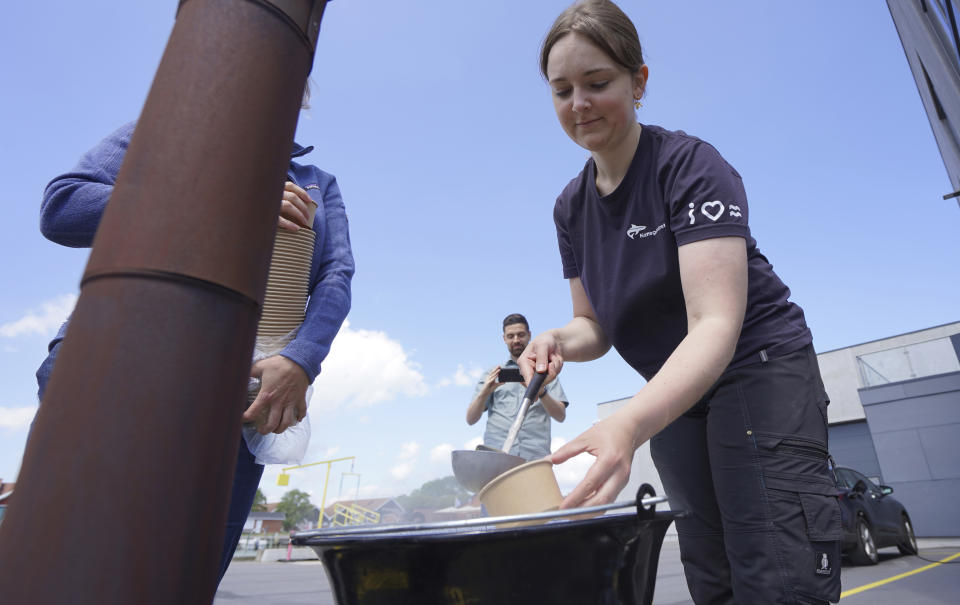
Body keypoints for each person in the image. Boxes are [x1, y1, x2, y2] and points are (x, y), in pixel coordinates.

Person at [517, 1, 841, 603]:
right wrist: (557, 340)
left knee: (773, 571)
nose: (579, 103)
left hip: (756, 366)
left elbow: (715, 323)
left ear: (639, 82)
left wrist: (629, 422)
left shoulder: (688, 165)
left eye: (597, 82)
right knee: (710, 573)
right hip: (674, 387)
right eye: (562, 90)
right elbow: (594, 325)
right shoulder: (570, 208)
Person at [34, 115, 354, 584]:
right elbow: (64, 209)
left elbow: (335, 275)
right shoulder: (170, 121)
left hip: (243, 396)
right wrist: (226, 201)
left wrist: (300, 359)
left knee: (185, 575)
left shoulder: (317, 184)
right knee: (71, 558)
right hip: (117, 364)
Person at [466, 313, 568, 460]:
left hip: (535, 458)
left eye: (520, 335)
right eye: (511, 336)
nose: (516, 340)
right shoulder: (492, 374)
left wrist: (541, 392)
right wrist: (484, 393)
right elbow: (470, 419)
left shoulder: (545, 372)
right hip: (497, 456)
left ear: (529, 335)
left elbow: (560, 415)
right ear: (504, 338)